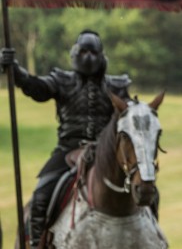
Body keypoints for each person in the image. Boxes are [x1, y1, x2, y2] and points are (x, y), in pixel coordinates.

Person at [1, 30, 132, 248]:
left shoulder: (116, 86)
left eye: (93, 52)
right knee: (41, 195)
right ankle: (35, 244)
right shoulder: (62, 81)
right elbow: (37, 88)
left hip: (106, 154)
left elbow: (130, 113)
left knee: (147, 192)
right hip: (68, 150)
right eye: (84, 51)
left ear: (101, 56)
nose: (88, 57)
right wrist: (15, 70)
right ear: (75, 53)